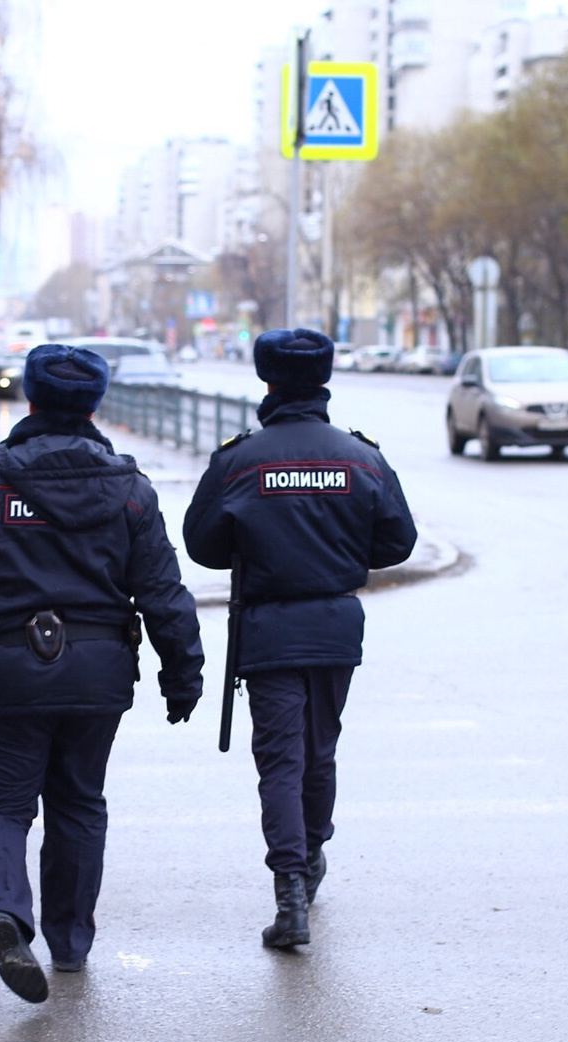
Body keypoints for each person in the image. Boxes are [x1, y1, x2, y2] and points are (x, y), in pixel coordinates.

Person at [0, 343, 203, 1003]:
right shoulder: (129, 489)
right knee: (78, 802)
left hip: (6, 670)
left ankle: (6, 912)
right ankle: (69, 943)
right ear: (94, 404)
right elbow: (163, 593)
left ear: (30, 399)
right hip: (97, 675)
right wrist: (182, 674)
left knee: (0, 807)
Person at [182, 329, 417, 950]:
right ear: (324, 379)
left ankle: (290, 893)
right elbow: (398, 542)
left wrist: (255, 538)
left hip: (269, 628)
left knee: (281, 763)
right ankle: (311, 859)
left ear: (267, 383)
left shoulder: (240, 459)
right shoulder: (360, 456)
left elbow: (202, 546)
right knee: (321, 750)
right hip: (337, 626)